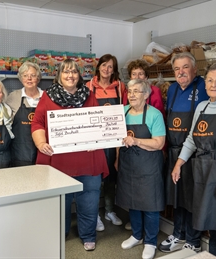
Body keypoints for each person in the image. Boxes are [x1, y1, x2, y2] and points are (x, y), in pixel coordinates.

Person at [31, 59, 109, 252]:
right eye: (66, 72)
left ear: (79, 75)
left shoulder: (88, 95)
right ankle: (60, 233)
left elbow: (98, 122)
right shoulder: (48, 96)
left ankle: (88, 235)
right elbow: (38, 123)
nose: (70, 75)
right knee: (60, 201)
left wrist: (95, 139)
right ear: (59, 75)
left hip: (87, 160)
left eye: (74, 72)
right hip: (58, 161)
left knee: (89, 201)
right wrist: (41, 143)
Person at [171, 61, 216, 258]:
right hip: (201, 171)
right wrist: (179, 163)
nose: (213, 84)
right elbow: (192, 139)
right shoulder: (202, 106)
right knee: (212, 225)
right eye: (210, 80)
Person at [159, 52, 209, 253]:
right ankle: (178, 235)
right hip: (174, 151)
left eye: (185, 67)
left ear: (195, 69)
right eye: (177, 68)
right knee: (177, 196)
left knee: (192, 198)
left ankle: (193, 240)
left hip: (195, 153)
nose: (181, 72)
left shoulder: (204, 87)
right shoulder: (171, 89)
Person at [117, 79, 166, 259]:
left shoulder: (155, 115)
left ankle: (151, 241)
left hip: (148, 167)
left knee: (150, 205)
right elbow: (114, 138)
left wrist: (137, 141)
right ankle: (137, 235)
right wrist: (116, 159)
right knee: (133, 202)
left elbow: (159, 143)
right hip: (128, 165)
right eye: (129, 91)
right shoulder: (122, 112)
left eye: (136, 91)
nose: (131, 94)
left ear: (146, 95)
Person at [86, 54, 126, 231]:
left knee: (111, 176)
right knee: (94, 178)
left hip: (113, 138)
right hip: (95, 139)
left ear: (114, 70)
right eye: (104, 65)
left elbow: (125, 112)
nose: (106, 69)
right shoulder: (89, 86)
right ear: (98, 67)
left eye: (110, 67)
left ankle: (110, 211)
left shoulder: (120, 88)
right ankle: (94, 215)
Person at [6, 61, 43, 166]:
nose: (29, 78)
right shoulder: (13, 97)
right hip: (19, 153)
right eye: (25, 75)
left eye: (33, 75)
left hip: (42, 152)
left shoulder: (46, 96)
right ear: (21, 78)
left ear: (38, 78)